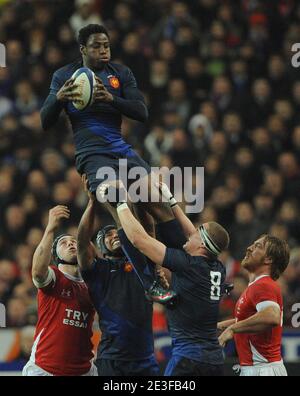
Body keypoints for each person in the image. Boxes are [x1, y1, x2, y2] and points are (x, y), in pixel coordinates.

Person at [40, 23, 174, 223]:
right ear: (83, 49)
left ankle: (179, 255)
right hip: (92, 155)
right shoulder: (64, 76)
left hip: (121, 150)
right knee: (124, 208)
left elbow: (142, 112)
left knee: (159, 208)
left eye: (106, 45)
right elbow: (45, 121)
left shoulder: (121, 73)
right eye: (96, 46)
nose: (103, 50)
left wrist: (111, 99)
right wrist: (59, 98)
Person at [107, 182, 230, 376]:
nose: (191, 233)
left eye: (198, 232)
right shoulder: (218, 267)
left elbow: (139, 240)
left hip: (188, 360)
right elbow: (191, 233)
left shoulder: (188, 265)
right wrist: (172, 202)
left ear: (202, 245)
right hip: (214, 360)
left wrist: (120, 203)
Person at [77, 179, 168, 376]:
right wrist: (92, 203)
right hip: (112, 359)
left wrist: (134, 195)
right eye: (107, 236)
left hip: (145, 358)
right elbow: (82, 243)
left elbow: (148, 230)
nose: (114, 235)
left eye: (115, 232)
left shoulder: (143, 263)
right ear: (100, 247)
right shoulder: (97, 270)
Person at [22, 206, 97, 376]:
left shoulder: (92, 283)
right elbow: (37, 272)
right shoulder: (54, 277)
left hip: (84, 370)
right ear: (56, 256)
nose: (71, 243)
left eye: (74, 241)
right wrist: (50, 228)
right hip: (45, 369)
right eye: (64, 243)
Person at [218, 235, 290, 377]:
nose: (249, 248)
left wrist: (233, 329)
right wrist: (222, 325)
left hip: (263, 369)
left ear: (268, 259)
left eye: (257, 246)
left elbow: (272, 316)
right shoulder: (257, 286)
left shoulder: (264, 285)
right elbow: (253, 318)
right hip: (259, 368)